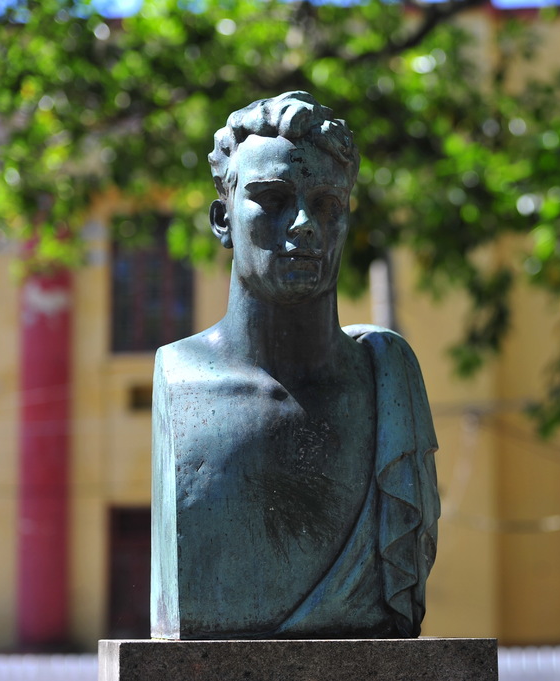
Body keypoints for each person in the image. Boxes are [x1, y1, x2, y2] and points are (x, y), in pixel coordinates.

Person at [150, 92, 439, 640]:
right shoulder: (180, 379)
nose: (304, 223)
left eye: (328, 203)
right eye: (273, 198)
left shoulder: (386, 378)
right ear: (222, 220)